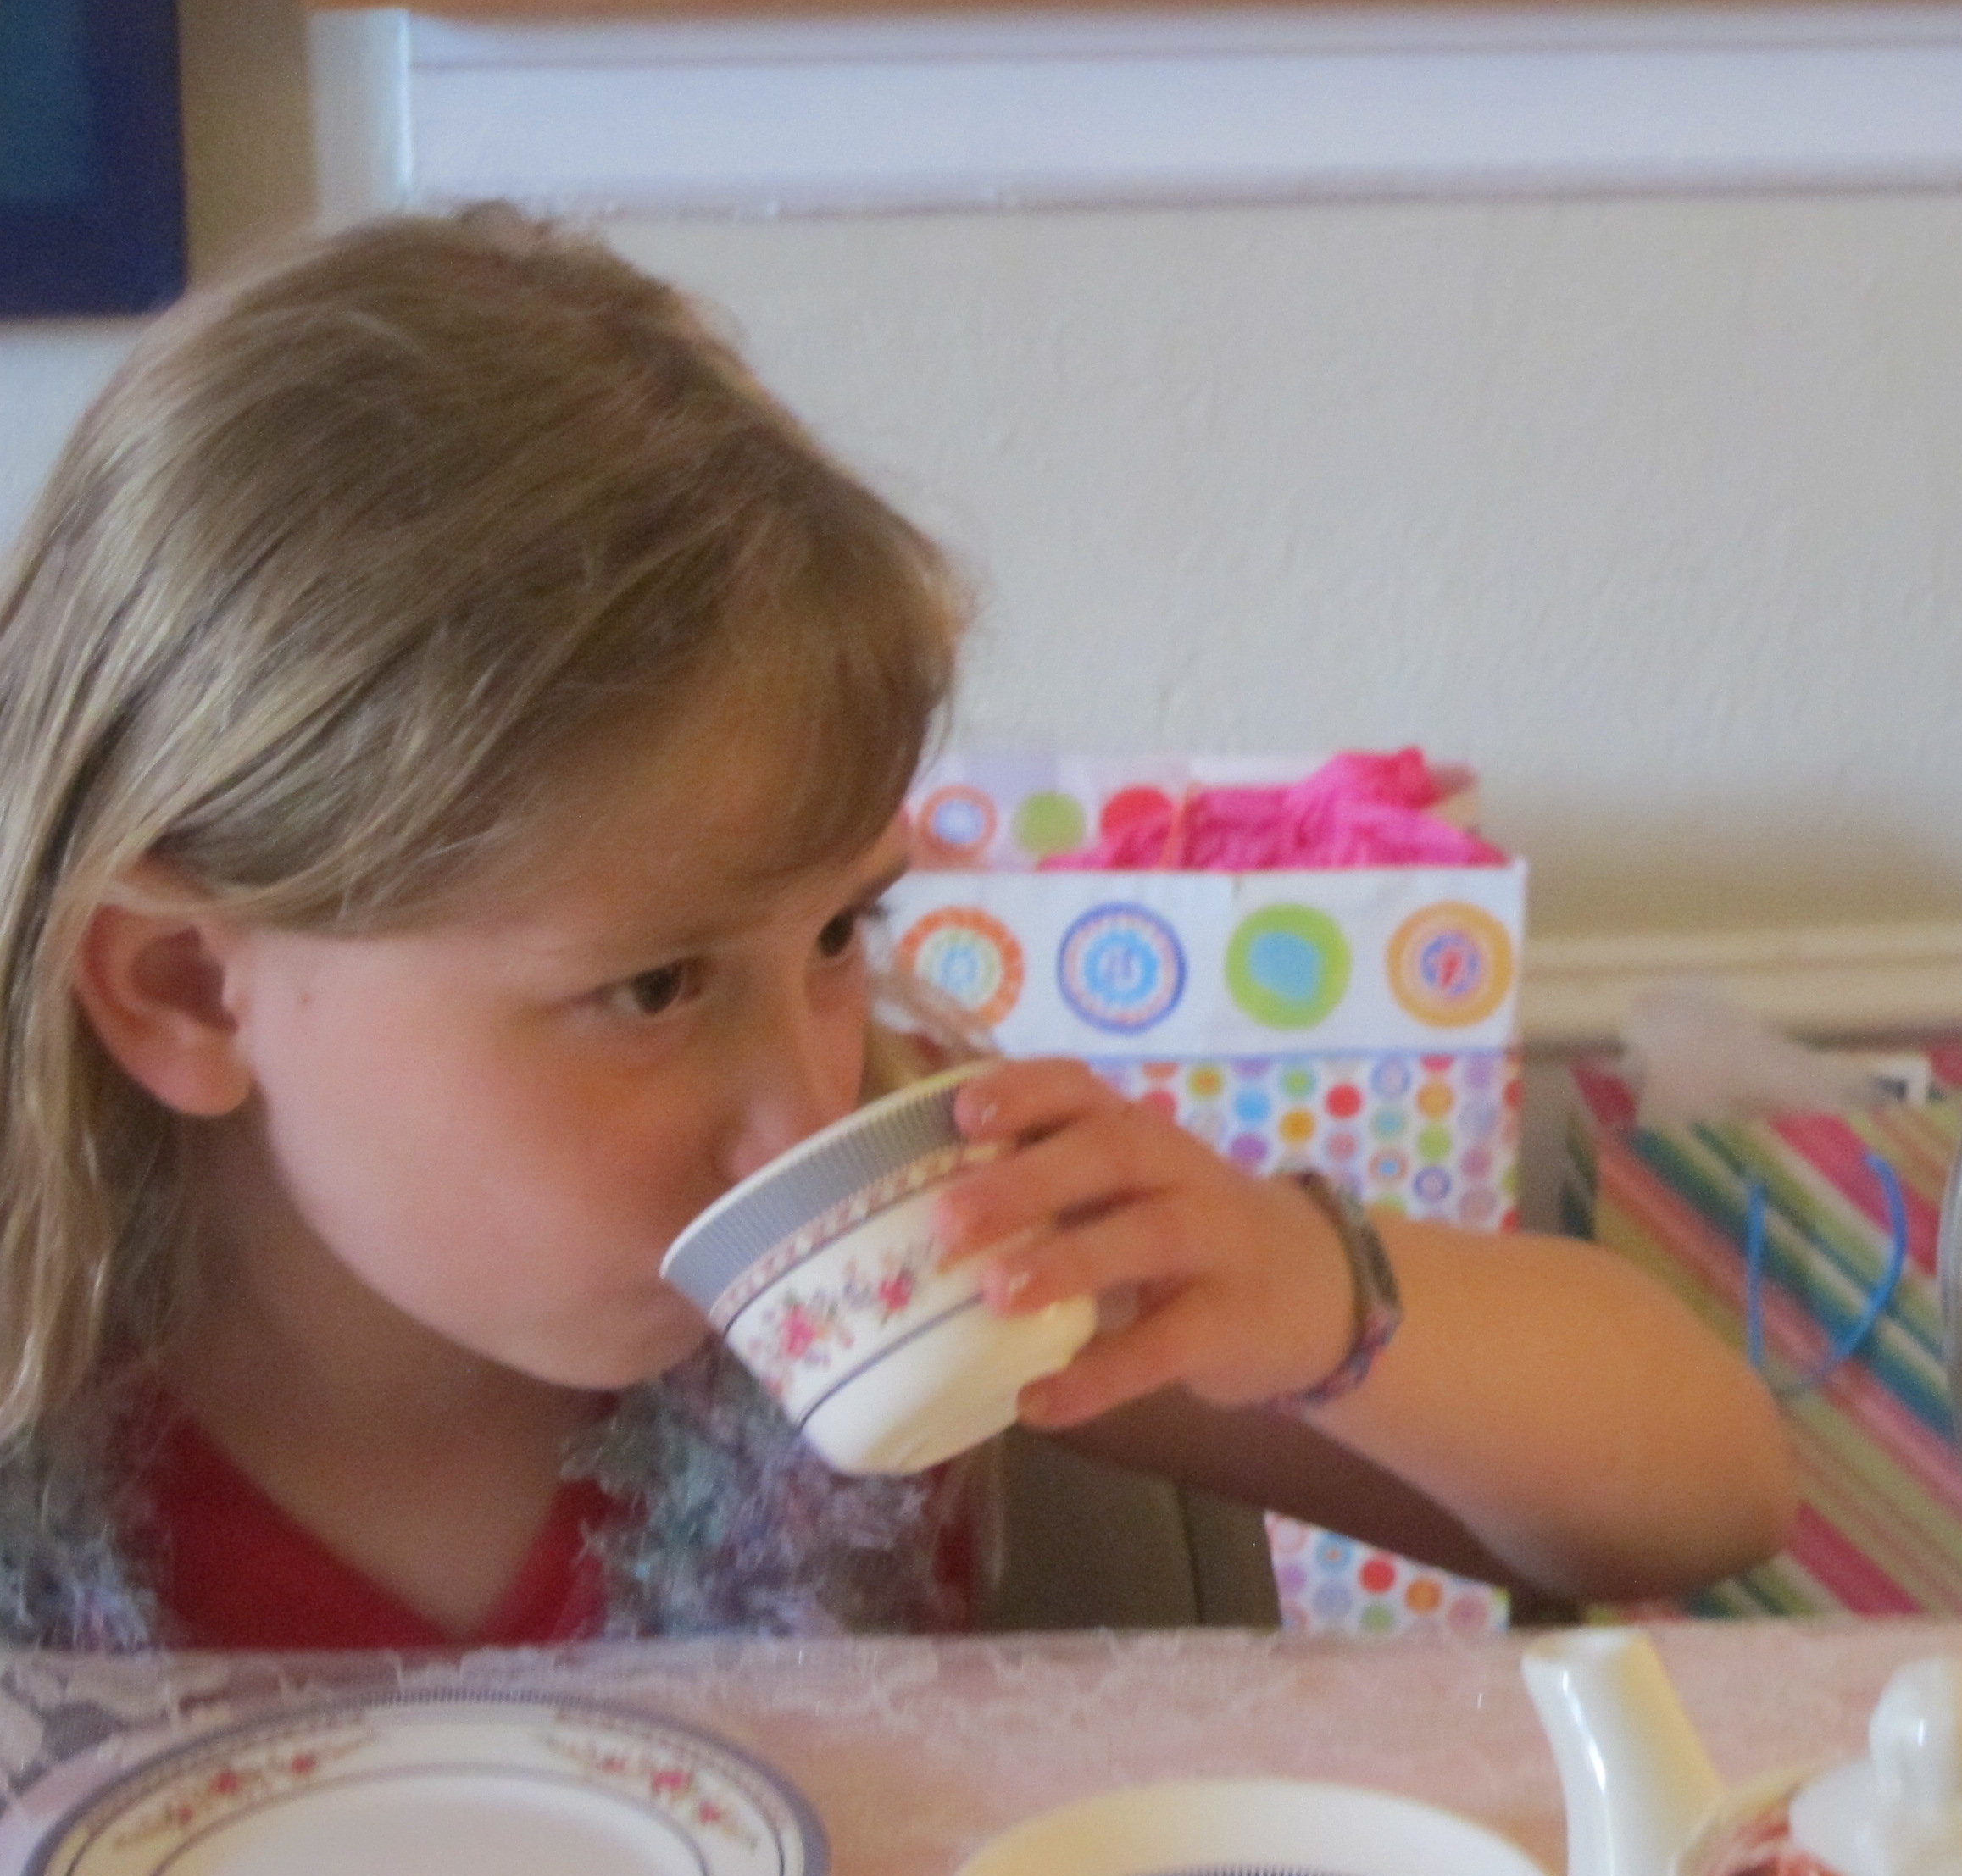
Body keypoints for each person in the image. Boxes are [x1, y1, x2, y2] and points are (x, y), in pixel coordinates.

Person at [0, 207, 1794, 1650]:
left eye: (841, 933)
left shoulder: (924, 1252)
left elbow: (1709, 1493)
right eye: (653, 987)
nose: (809, 1104)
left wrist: (1305, 1289)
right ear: (185, 988)